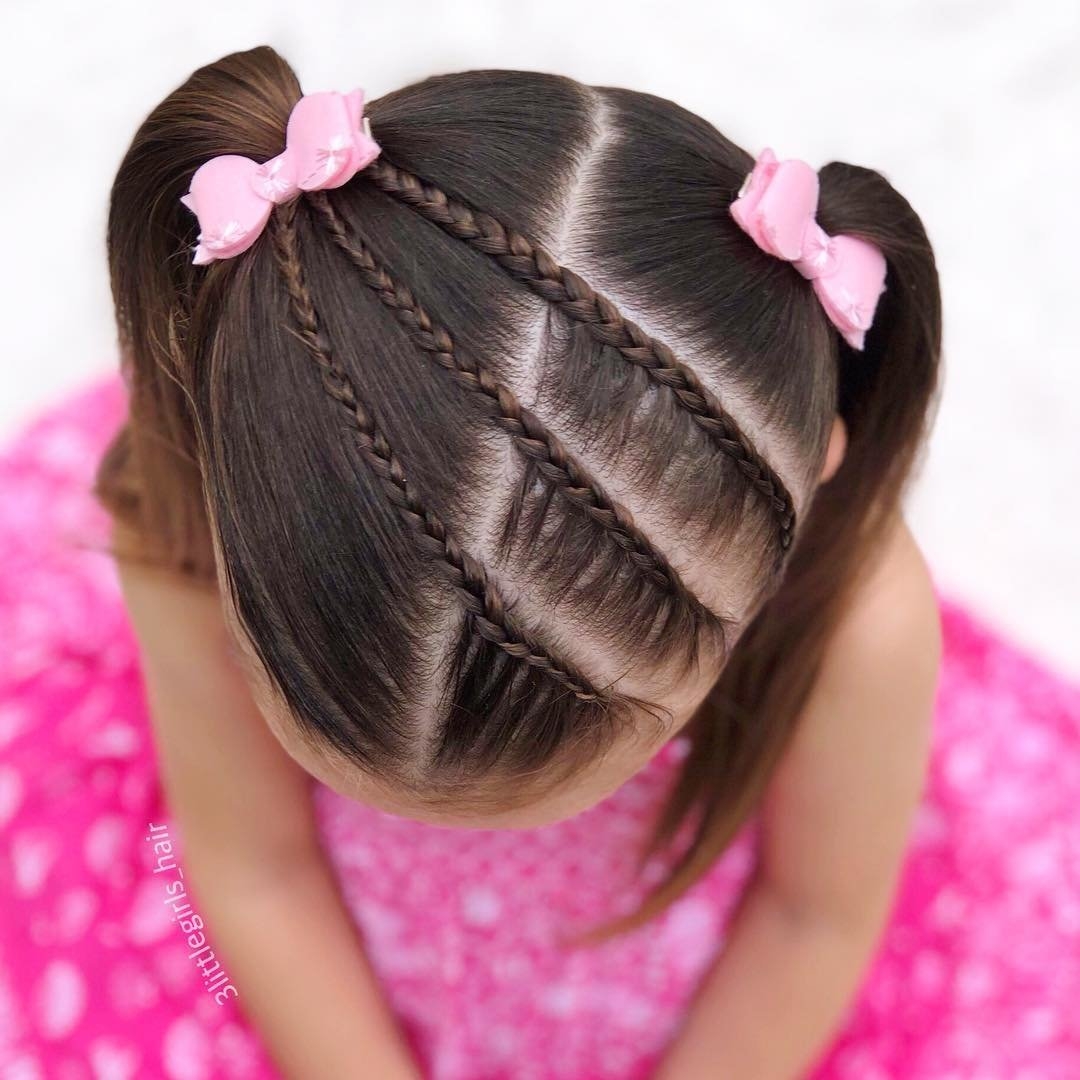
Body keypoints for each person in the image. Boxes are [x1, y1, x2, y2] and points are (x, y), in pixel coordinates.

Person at [0, 43, 1077, 1080]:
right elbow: (251, 868)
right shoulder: (190, 534)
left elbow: (811, 917)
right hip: (291, 969)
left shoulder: (855, 631)